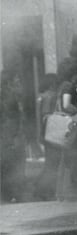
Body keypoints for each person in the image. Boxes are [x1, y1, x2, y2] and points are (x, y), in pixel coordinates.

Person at [55, 57, 77, 201]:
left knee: (66, 160)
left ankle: (62, 192)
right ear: (74, 71)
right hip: (74, 127)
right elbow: (66, 105)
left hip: (67, 126)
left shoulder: (63, 85)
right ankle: (73, 192)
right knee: (74, 157)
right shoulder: (69, 86)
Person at [0, 70, 26, 202]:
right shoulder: (9, 97)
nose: (19, 84)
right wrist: (14, 137)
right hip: (8, 135)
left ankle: (7, 195)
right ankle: (12, 194)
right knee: (11, 166)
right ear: (9, 83)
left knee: (6, 166)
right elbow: (13, 119)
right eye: (17, 81)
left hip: (7, 136)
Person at [34, 73, 60, 201]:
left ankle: (41, 189)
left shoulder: (40, 97)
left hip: (44, 134)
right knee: (52, 164)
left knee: (50, 163)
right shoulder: (50, 96)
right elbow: (47, 116)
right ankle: (43, 189)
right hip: (51, 134)